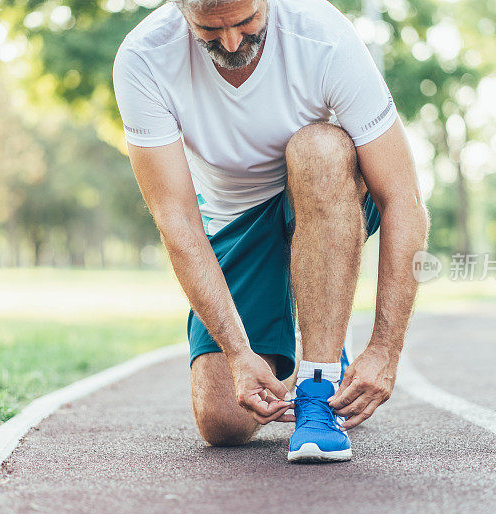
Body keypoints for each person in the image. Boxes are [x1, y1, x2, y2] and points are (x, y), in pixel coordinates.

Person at [112, 0, 429, 462]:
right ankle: (314, 329)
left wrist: (384, 348)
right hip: (234, 219)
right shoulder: (143, 57)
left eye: (246, 22)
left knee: (318, 146)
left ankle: (319, 385)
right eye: (210, 31)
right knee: (222, 421)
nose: (232, 43)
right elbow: (177, 221)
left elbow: (403, 199)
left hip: (326, 196)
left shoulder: (324, 35)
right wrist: (239, 353)